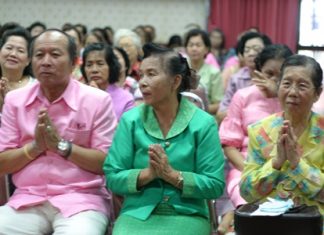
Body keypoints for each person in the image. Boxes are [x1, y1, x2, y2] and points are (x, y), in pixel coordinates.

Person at [0, 29, 117, 234]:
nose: (46, 61)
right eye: (39, 55)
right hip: (27, 200)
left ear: (74, 63)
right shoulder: (15, 100)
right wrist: (35, 147)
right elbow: (3, 162)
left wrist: (62, 146)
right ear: (30, 61)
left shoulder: (97, 100)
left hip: (82, 201)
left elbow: (106, 163)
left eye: (55, 54)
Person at [103, 43, 225, 235]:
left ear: (175, 81)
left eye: (151, 74)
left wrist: (172, 175)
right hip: (136, 214)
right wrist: (147, 174)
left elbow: (215, 185)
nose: (142, 82)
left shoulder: (203, 123)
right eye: (141, 75)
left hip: (188, 215)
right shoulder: (131, 120)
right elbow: (112, 176)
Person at [240, 54, 324, 216]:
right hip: (270, 222)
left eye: (302, 85)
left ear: (317, 93)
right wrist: (276, 163)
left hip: (315, 221)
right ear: (278, 87)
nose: (292, 92)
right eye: (286, 83)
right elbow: (246, 192)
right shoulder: (260, 131)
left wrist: (298, 165)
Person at [219, 44, 293, 223]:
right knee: (252, 208)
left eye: (281, 75)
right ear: (258, 72)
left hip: (290, 167)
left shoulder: (295, 98)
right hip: (247, 165)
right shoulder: (243, 96)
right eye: (269, 73)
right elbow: (229, 144)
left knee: (293, 210)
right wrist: (253, 172)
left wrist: (279, 94)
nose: (275, 80)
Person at [216, 32, 272, 123]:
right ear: (241, 55)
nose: (251, 53)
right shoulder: (236, 79)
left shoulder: (272, 78)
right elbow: (221, 113)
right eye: (247, 50)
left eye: (256, 49)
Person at [81, 43, 135, 120]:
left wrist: (99, 99)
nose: (94, 70)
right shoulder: (78, 95)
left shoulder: (127, 99)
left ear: (111, 67)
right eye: (89, 65)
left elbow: (125, 130)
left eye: (100, 64)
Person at [185, 29, 223, 114]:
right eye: (191, 45)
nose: (194, 48)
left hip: (204, 115)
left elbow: (218, 104)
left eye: (198, 45)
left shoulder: (214, 72)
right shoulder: (180, 69)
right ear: (186, 48)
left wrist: (197, 109)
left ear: (206, 49)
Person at [0, 26, 34, 113]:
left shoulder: (35, 86)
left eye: (20, 50)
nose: (13, 54)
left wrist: (8, 104)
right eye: (9, 48)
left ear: (28, 60)